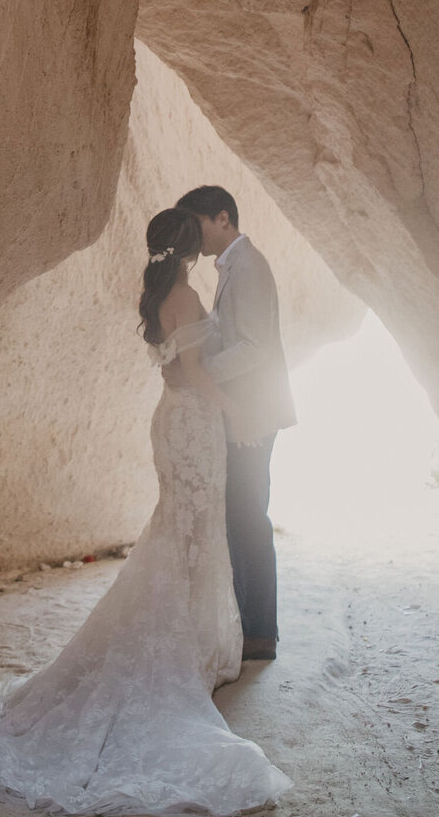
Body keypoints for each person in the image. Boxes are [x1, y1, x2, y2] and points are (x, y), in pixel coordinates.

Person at [0, 205, 291, 815]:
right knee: (191, 532)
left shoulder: (157, 291)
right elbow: (192, 375)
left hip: (175, 423)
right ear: (189, 248)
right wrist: (235, 412)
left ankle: (197, 637)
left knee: (183, 531)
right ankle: (185, 642)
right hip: (194, 422)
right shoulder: (184, 295)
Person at [176, 185, 296, 662]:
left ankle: (261, 633)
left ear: (222, 218)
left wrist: (199, 374)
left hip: (254, 411)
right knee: (240, 516)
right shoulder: (234, 265)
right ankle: (250, 626)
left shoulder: (247, 266)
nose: (194, 236)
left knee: (248, 517)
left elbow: (253, 346)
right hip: (243, 407)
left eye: (198, 225)